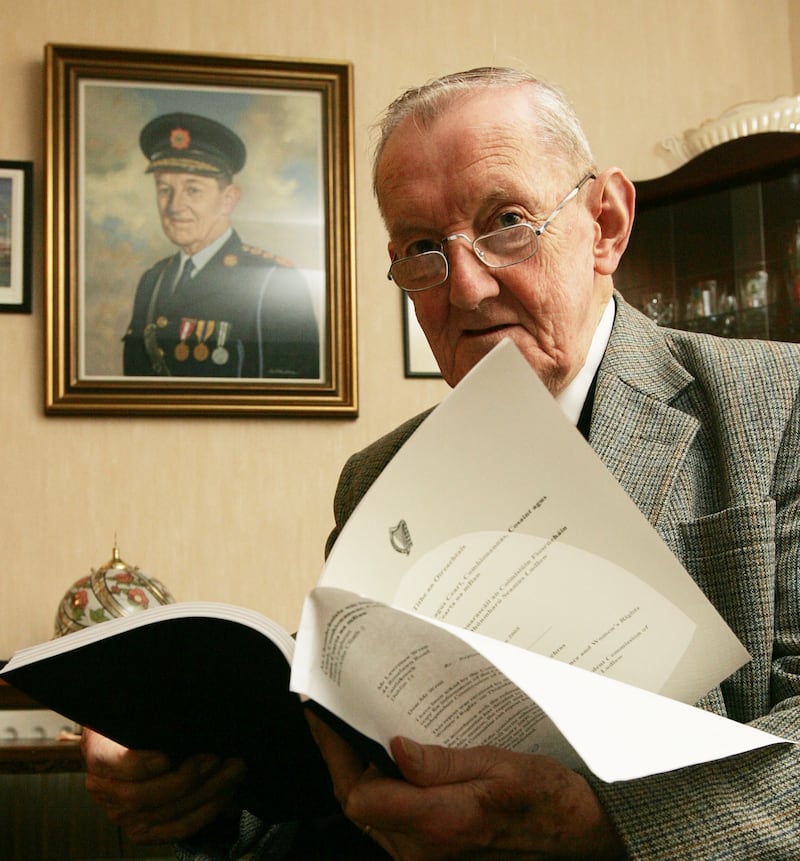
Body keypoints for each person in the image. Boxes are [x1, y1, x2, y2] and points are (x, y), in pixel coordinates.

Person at [82, 68, 800, 859]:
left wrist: (596, 828)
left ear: (606, 224)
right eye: (422, 248)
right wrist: (198, 788)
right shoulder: (375, 478)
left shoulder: (776, 404)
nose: (465, 284)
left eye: (507, 221)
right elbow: (350, 786)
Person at [123, 112, 320, 380]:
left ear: (228, 199)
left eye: (193, 190)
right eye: (164, 189)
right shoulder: (153, 281)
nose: (174, 206)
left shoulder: (273, 282)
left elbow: (295, 402)